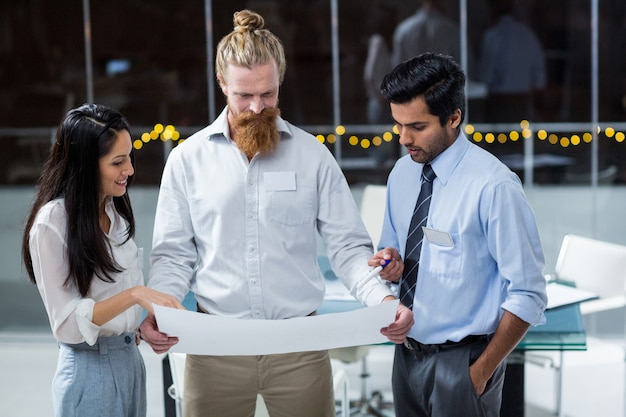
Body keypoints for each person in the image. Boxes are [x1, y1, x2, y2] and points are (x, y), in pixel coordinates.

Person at [138, 9, 413, 417]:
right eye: (243, 96)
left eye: (267, 94)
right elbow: (174, 256)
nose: (255, 107)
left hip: (299, 348)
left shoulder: (313, 156)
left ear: (280, 81)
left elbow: (350, 249)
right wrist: (158, 313)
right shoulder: (186, 160)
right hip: (216, 348)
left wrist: (384, 301)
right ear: (221, 85)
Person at [369, 53, 547, 416]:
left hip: (463, 363)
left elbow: (529, 293)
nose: (404, 138)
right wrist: (392, 264)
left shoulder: (493, 186)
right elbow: (395, 254)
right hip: (406, 358)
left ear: (454, 118)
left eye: (417, 126)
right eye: (398, 125)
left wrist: (480, 373)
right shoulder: (402, 174)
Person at [21, 103, 184, 417]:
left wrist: (138, 330)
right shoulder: (52, 224)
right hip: (87, 370)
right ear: (85, 165)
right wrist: (136, 295)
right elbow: (67, 325)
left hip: (130, 363)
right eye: (117, 162)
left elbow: (113, 302)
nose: (130, 170)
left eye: (129, 158)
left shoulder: (114, 213)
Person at [479, 0, 547, 122]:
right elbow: (539, 78)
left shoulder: (493, 36)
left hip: (499, 102)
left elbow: (486, 76)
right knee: (521, 138)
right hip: (524, 100)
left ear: (492, 9)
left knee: (498, 138)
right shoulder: (528, 35)